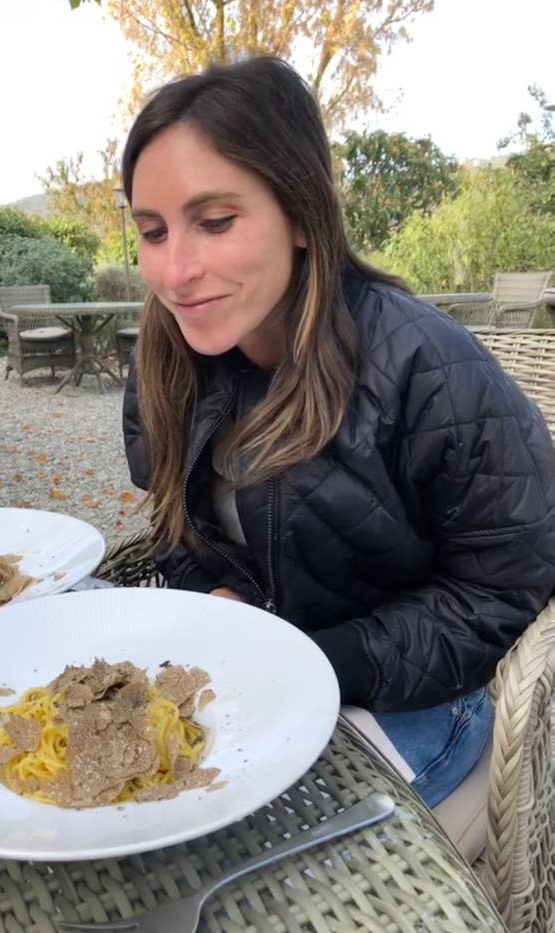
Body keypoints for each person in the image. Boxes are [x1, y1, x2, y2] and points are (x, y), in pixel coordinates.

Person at [120, 55, 555, 809]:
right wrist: (214, 592)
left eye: (215, 221)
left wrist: (318, 658)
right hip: (250, 679)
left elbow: (507, 590)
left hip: (419, 696)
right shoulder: (167, 362)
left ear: (299, 212)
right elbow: (172, 527)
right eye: (152, 231)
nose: (176, 270)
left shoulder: (427, 366)